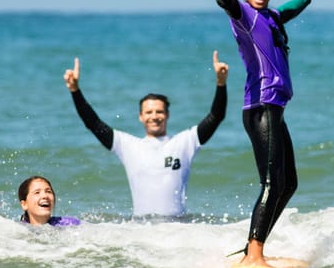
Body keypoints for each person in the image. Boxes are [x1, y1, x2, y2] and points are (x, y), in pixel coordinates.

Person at [191, 0, 320, 267]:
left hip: (275, 109)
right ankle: (255, 253)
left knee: (288, 184)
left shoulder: (272, 17)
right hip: (261, 107)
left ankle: (253, 248)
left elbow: (290, 9)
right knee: (272, 183)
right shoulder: (244, 16)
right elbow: (227, 2)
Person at [63, 51, 228, 216]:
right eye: (149, 112)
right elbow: (93, 124)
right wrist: (75, 91)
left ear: (167, 115)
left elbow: (216, 116)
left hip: (178, 230)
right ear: (140, 117)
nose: (154, 117)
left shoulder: (184, 142)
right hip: (141, 230)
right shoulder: (127, 145)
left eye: (159, 112)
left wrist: (221, 84)